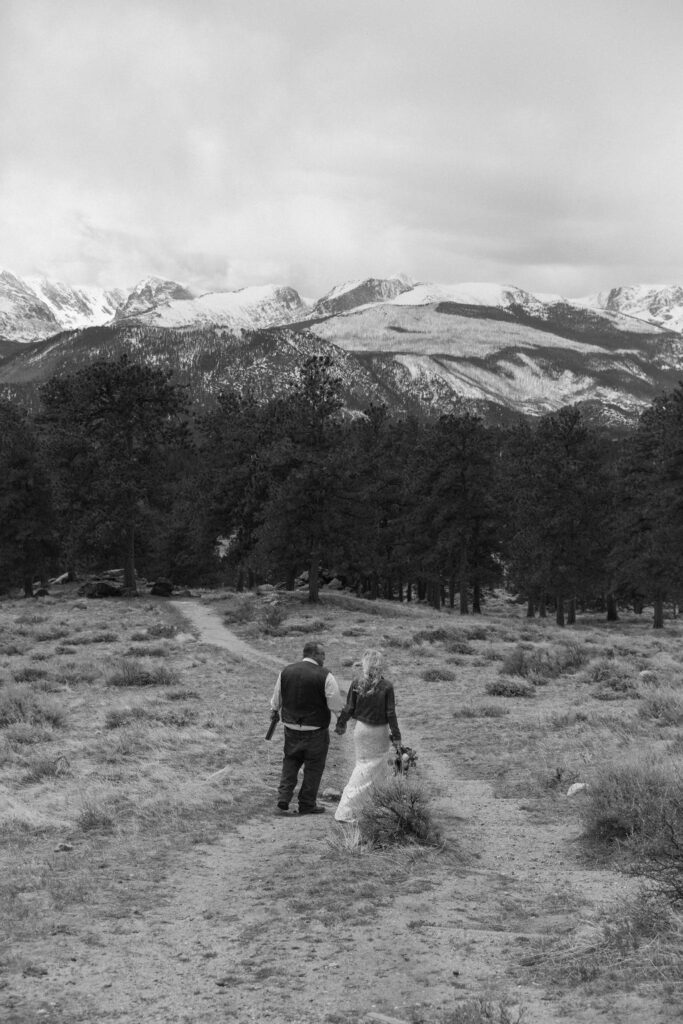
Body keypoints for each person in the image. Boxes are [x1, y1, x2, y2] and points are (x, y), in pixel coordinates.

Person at [270, 639, 343, 815]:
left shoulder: (286, 671)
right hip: (316, 730)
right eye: (323, 654)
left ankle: (283, 799)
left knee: (290, 762)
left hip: (291, 728)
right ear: (314, 654)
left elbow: (276, 698)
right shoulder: (325, 675)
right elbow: (335, 704)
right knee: (314, 767)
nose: (324, 658)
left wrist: (274, 711)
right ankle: (307, 803)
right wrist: (341, 722)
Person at [333, 648, 402, 823]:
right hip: (379, 732)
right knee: (374, 769)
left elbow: (349, 707)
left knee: (363, 766)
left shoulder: (357, 682)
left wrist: (341, 723)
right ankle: (349, 810)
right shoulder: (386, 686)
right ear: (380, 665)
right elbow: (391, 713)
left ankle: (360, 808)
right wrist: (397, 736)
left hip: (361, 730)